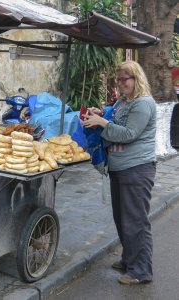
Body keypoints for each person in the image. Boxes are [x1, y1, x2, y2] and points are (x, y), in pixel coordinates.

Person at [82, 60, 156, 285]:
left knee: (136, 220)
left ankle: (141, 271)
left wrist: (102, 122)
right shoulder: (125, 101)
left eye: (125, 79)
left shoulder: (143, 104)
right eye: (118, 79)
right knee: (122, 218)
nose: (120, 83)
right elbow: (113, 116)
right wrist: (100, 113)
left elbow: (128, 134)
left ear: (137, 79)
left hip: (136, 169)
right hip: (120, 168)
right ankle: (129, 259)